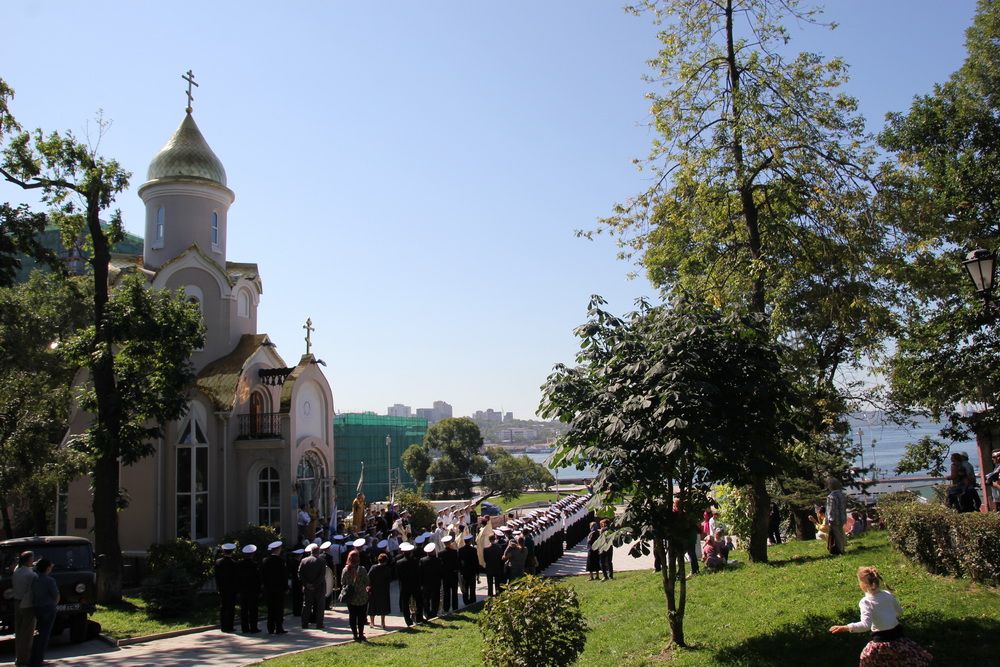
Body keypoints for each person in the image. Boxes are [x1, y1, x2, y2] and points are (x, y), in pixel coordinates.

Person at [829, 566, 932, 666]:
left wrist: (846, 627)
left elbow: (865, 625)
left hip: (881, 642)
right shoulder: (887, 594)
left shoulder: (866, 602)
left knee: (869, 660)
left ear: (863, 585)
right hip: (899, 640)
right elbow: (900, 612)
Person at [29, 558, 58, 667]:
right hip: (48, 608)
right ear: (47, 568)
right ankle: (39, 660)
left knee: (38, 634)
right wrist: (54, 604)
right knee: (45, 635)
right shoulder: (50, 580)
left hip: (37, 608)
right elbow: (56, 595)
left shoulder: (34, 579)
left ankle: (33, 658)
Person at [12, 551, 36, 667]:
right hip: (27, 604)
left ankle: (18, 656)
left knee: (19, 631)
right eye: (32, 559)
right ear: (28, 560)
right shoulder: (31, 575)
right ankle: (24, 659)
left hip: (17, 601)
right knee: (27, 633)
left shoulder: (17, 571)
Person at [340, 549, 370, 641]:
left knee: (352, 616)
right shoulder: (362, 569)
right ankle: (361, 634)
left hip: (350, 596)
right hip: (361, 596)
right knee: (361, 616)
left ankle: (354, 635)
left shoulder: (345, 570)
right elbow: (367, 582)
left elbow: (342, 582)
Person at [261, 541, 288, 634]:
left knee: (270, 608)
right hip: (279, 588)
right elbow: (284, 576)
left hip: (268, 588)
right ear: (278, 549)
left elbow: (263, 575)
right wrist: (286, 587)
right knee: (279, 609)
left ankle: (270, 627)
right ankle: (279, 627)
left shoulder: (265, 560)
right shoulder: (281, 561)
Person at [298, 543, 327, 628]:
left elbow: (300, 574)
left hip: (307, 587)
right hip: (319, 587)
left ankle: (304, 623)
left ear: (311, 552)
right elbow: (322, 575)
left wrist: (306, 584)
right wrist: (315, 585)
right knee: (320, 606)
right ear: (318, 552)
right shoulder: (322, 561)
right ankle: (319, 624)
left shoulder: (303, 561)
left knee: (306, 605)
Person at [395, 542, 423, 626]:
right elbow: (419, 573)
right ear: (411, 552)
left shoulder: (399, 562)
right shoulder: (415, 561)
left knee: (405, 603)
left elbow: (398, 576)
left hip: (404, 586)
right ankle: (419, 618)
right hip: (415, 584)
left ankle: (408, 621)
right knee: (419, 601)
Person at [214, 543, 239, 633]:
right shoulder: (233, 563)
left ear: (223, 551)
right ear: (232, 551)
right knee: (231, 607)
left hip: (222, 588)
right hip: (231, 589)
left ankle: (223, 626)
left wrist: (218, 587)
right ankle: (229, 626)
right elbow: (236, 577)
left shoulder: (218, 562)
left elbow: (216, 576)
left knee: (223, 607)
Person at [237, 544, 262, 633]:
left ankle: (244, 628)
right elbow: (257, 579)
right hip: (252, 590)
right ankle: (253, 627)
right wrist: (259, 590)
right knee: (253, 610)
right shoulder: (254, 565)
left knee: (244, 609)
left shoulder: (239, 564)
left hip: (243, 590)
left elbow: (237, 578)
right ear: (252, 554)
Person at [367, 552, 392, 628]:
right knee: (383, 605)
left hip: (373, 588)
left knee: (372, 605)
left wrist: (369, 585)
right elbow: (389, 579)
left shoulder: (373, 567)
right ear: (386, 561)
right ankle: (382, 622)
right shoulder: (387, 569)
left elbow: (368, 577)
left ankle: (372, 622)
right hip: (383, 589)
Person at [419, 542, 443, 618]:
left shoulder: (422, 560)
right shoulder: (438, 560)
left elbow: (421, 573)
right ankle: (434, 613)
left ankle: (427, 614)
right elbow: (441, 572)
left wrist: (421, 583)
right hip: (436, 583)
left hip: (426, 583)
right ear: (433, 551)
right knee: (435, 599)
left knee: (426, 599)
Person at [826, 478, 848, 555]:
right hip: (842, 517)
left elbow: (831, 509)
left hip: (834, 518)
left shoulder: (831, 496)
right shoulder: (842, 495)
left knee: (837, 534)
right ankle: (843, 547)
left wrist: (829, 519)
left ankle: (840, 550)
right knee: (841, 532)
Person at [439, 535, 460, 612]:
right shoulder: (455, 552)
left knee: (446, 592)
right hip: (453, 574)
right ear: (450, 542)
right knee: (454, 592)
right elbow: (457, 564)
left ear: (444, 544)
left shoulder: (440, 553)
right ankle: (455, 607)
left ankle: (446, 608)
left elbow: (440, 566)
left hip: (445, 575)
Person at [458, 534, 479, 605]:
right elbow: (476, 561)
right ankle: (472, 600)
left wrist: (461, 570)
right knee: (472, 587)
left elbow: (459, 561)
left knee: (465, 587)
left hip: (464, 571)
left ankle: (466, 601)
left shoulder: (461, 550)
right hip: (472, 571)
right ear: (469, 541)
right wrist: (477, 572)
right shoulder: (473, 550)